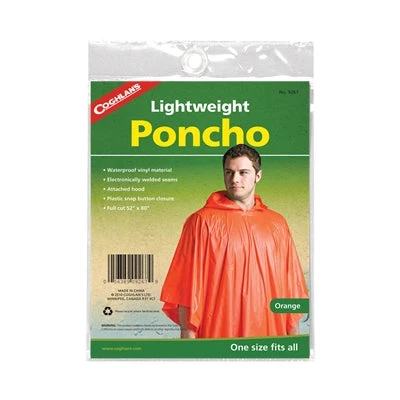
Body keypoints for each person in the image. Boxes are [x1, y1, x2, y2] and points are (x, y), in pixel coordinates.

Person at [160, 144, 308, 339]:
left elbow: (291, 285)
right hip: (218, 333)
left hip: (269, 335)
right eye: (229, 172)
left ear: (258, 175)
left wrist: (294, 344)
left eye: (243, 172)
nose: (235, 179)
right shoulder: (201, 222)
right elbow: (187, 290)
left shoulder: (277, 223)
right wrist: (190, 347)